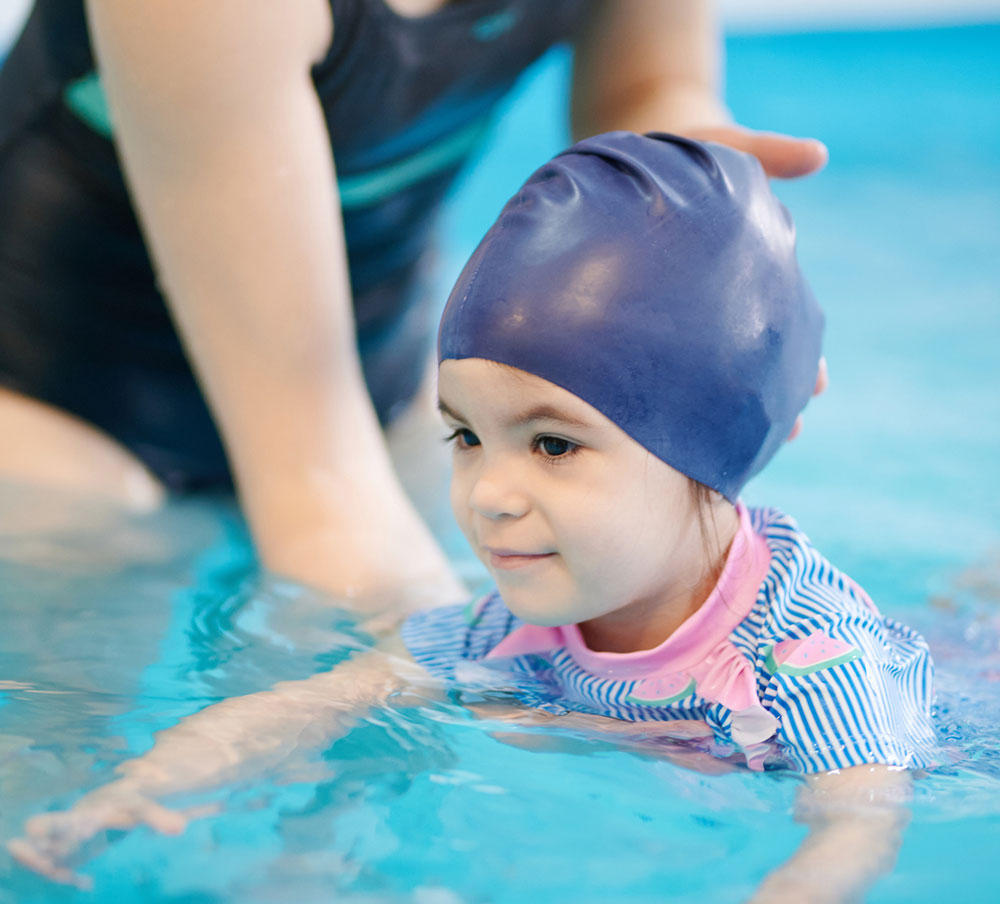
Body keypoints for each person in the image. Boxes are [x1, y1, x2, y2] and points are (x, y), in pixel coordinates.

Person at [9, 132, 935, 904]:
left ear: (711, 444)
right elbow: (318, 702)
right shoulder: (519, 619)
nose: (488, 494)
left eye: (554, 446)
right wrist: (136, 794)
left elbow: (851, 835)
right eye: (465, 436)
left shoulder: (811, 656)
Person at [0, 0, 827, 615]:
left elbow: (648, 84)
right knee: (63, 750)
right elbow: (317, 483)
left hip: (378, 378)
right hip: (50, 413)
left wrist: (690, 187)